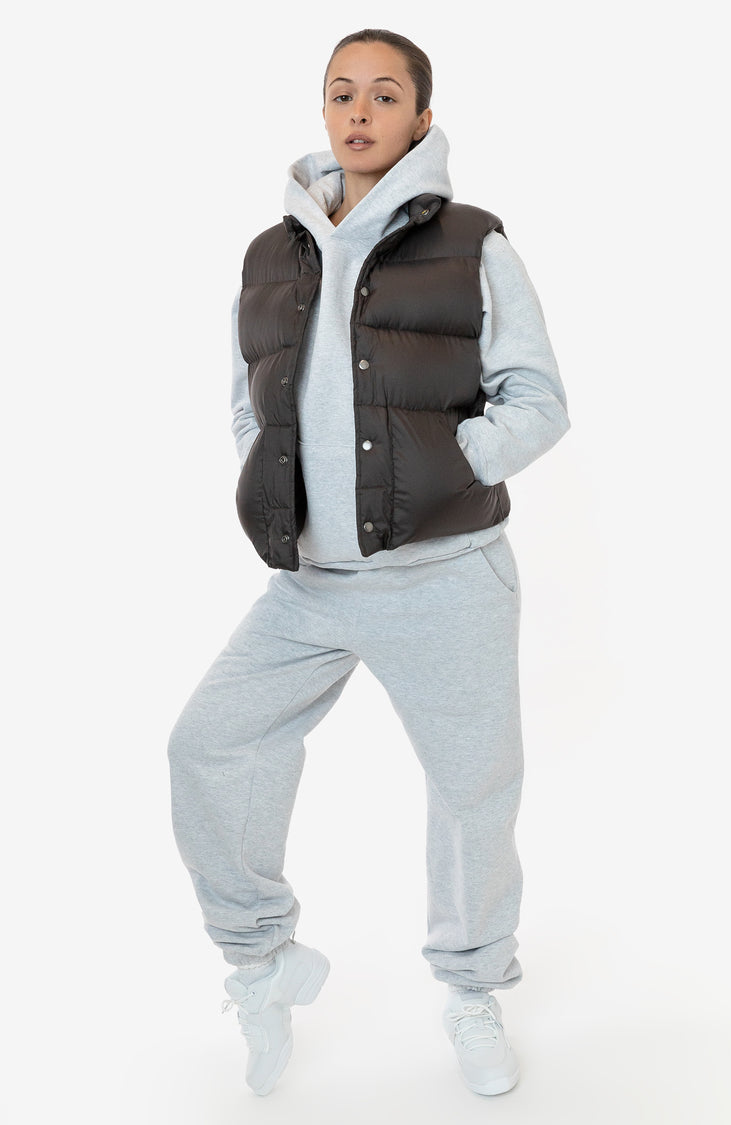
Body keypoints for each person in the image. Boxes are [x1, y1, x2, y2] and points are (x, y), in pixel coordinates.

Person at [167, 27, 570, 1099]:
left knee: (473, 792)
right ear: (324, 112)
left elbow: (538, 400)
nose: (359, 111)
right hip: (308, 586)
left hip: (446, 577)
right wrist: (265, 475)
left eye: (385, 95)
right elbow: (246, 400)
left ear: (421, 120)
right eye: (342, 92)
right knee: (208, 745)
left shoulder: (474, 244)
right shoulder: (270, 254)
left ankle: (473, 988)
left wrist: (454, 463)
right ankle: (262, 961)